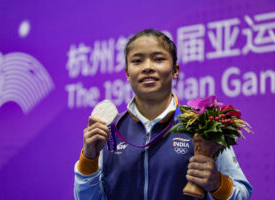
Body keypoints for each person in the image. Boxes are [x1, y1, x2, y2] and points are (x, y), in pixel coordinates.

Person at [74, 29, 253, 200]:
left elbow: (242, 194)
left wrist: (217, 184)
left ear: (175, 70)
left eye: (158, 59)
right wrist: (88, 159)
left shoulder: (204, 125)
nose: (148, 67)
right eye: (137, 61)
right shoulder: (110, 131)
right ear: (127, 73)